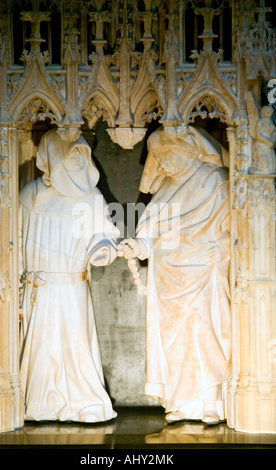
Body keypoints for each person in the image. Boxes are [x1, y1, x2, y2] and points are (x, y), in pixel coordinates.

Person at [120, 125, 231, 425]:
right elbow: (149, 234)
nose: (164, 161)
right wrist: (137, 245)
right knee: (175, 342)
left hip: (204, 275)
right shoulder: (166, 188)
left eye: (169, 153)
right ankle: (181, 402)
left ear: (191, 149)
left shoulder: (217, 181)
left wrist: (216, 252)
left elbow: (235, 231)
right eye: (158, 155)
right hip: (169, 280)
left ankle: (211, 402)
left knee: (203, 334)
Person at [19, 128, 119, 423]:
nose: (76, 162)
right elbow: (11, 240)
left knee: (75, 346)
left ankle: (82, 400)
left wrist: (102, 249)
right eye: (70, 156)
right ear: (51, 157)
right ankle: (40, 403)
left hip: (72, 286)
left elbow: (104, 234)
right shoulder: (29, 196)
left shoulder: (91, 197)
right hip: (38, 289)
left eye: (81, 156)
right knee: (42, 349)